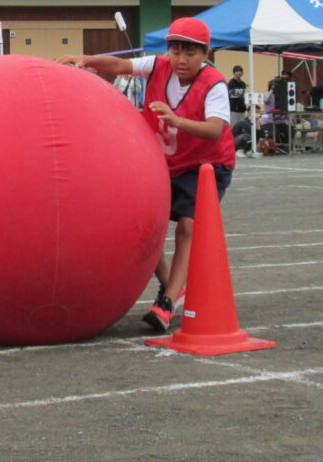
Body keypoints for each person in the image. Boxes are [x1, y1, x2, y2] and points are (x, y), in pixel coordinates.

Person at [57, 17, 234, 333]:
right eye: (176, 51)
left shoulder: (215, 84)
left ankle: (167, 302)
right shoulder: (157, 66)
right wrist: (84, 59)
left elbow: (214, 130)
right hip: (165, 163)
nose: (181, 59)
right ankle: (173, 287)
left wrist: (176, 120)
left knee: (188, 227)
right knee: (144, 227)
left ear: (205, 54)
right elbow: (119, 65)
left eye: (190, 53)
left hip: (207, 166)